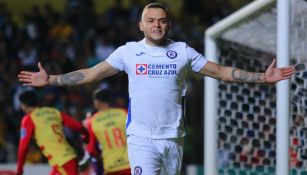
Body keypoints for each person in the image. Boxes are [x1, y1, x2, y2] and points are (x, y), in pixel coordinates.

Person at [18, 3, 295, 175]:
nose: (157, 24)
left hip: (173, 138)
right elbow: (91, 73)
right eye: (151, 20)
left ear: (168, 24)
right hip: (141, 138)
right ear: (141, 25)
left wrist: (262, 77)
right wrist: (52, 80)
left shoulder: (183, 52)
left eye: (161, 20)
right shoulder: (128, 52)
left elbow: (221, 72)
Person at [16, 90, 89, 175]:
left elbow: (23, 147)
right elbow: (79, 126)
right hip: (67, 156)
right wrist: (86, 138)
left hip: (62, 162)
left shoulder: (29, 119)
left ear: (24, 105)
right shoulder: (54, 112)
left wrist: (19, 169)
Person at [80, 89, 130, 175]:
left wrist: (86, 159)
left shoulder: (92, 121)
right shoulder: (123, 113)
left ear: (97, 102)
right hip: (129, 163)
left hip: (111, 165)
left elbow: (91, 147)